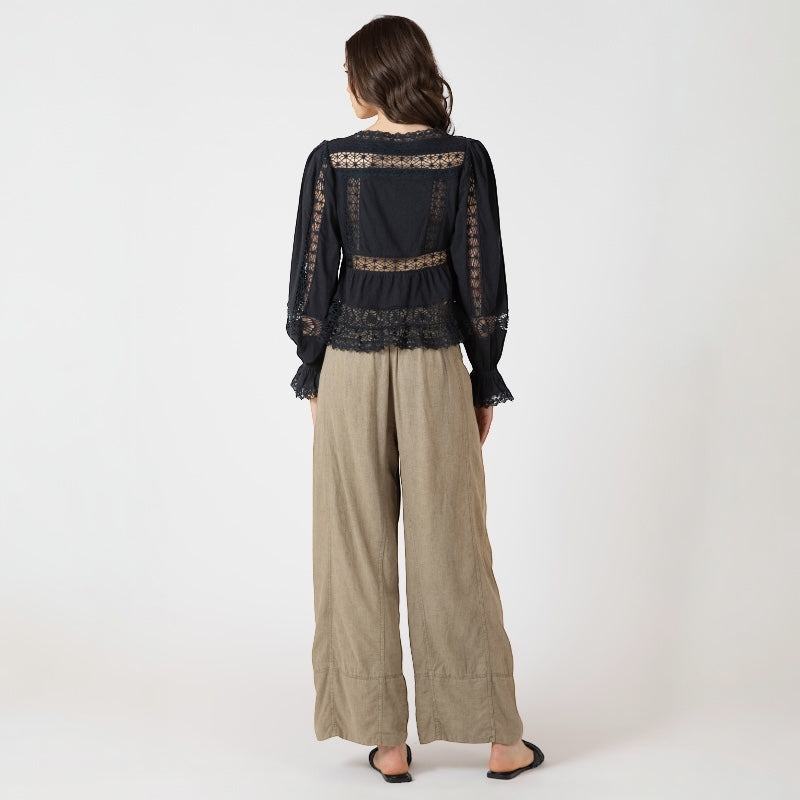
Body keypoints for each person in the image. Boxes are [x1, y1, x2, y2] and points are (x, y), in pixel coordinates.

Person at [285, 14, 545, 783]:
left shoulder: (333, 162)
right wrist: (483, 376)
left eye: (350, 71)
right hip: (436, 366)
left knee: (353, 549)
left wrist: (313, 369)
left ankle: (387, 743)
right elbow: (481, 279)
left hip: (350, 368)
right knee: (454, 547)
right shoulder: (463, 160)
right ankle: (499, 740)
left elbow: (311, 279)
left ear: (374, 75)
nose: (345, 84)